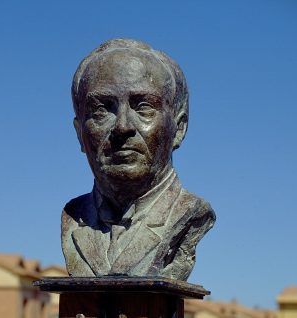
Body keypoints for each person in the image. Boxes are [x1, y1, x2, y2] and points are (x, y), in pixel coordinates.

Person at [61, 39, 215, 280]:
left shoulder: (189, 214)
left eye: (143, 107)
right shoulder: (74, 216)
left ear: (179, 127)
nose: (122, 126)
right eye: (102, 110)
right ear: (80, 133)